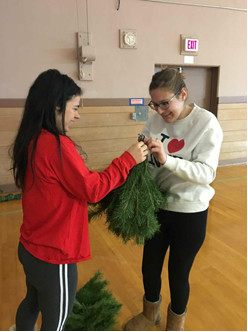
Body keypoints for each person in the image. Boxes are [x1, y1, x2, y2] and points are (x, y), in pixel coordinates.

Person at [10, 69, 148, 331]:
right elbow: (92, 190)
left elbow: (73, 183)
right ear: (55, 108)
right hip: (54, 257)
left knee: (31, 302)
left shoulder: (31, 139)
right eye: (73, 108)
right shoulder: (57, 146)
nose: (77, 114)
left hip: (29, 247)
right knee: (57, 323)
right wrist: (127, 160)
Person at [124, 67, 223, 331]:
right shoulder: (156, 119)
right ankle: (150, 314)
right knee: (149, 267)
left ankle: (175, 324)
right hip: (156, 206)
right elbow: (145, 148)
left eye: (165, 103)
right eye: (154, 104)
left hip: (189, 212)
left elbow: (206, 173)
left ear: (183, 94)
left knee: (178, 275)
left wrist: (168, 160)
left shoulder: (206, 123)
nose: (160, 111)